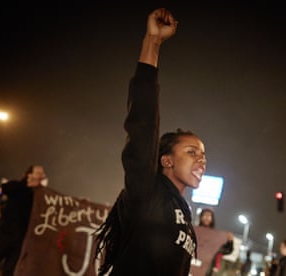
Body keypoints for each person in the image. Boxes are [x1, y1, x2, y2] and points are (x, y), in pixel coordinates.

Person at [95, 8, 206, 276]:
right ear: (166, 159)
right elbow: (143, 121)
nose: (201, 160)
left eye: (203, 154)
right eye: (191, 152)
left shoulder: (183, 211)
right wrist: (152, 42)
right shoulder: (148, 192)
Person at [0, 165, 46, 276]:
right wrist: (27, 184)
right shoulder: (17, 187)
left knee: (10, 269)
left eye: (43, 174)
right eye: (39, 173)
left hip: (20, 239)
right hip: (4, 234)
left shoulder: (38, 195)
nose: (42, 176)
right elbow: (5, 187)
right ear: (30, 175)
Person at [198, 208, 234, 276]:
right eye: (205, 215)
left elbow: (227, 250)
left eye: (209, 216)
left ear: (212, 219)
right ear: (201, 217)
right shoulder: (194, 232)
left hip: (206, 270)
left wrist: (230, 241)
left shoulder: (216, 237)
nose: (207, 218)